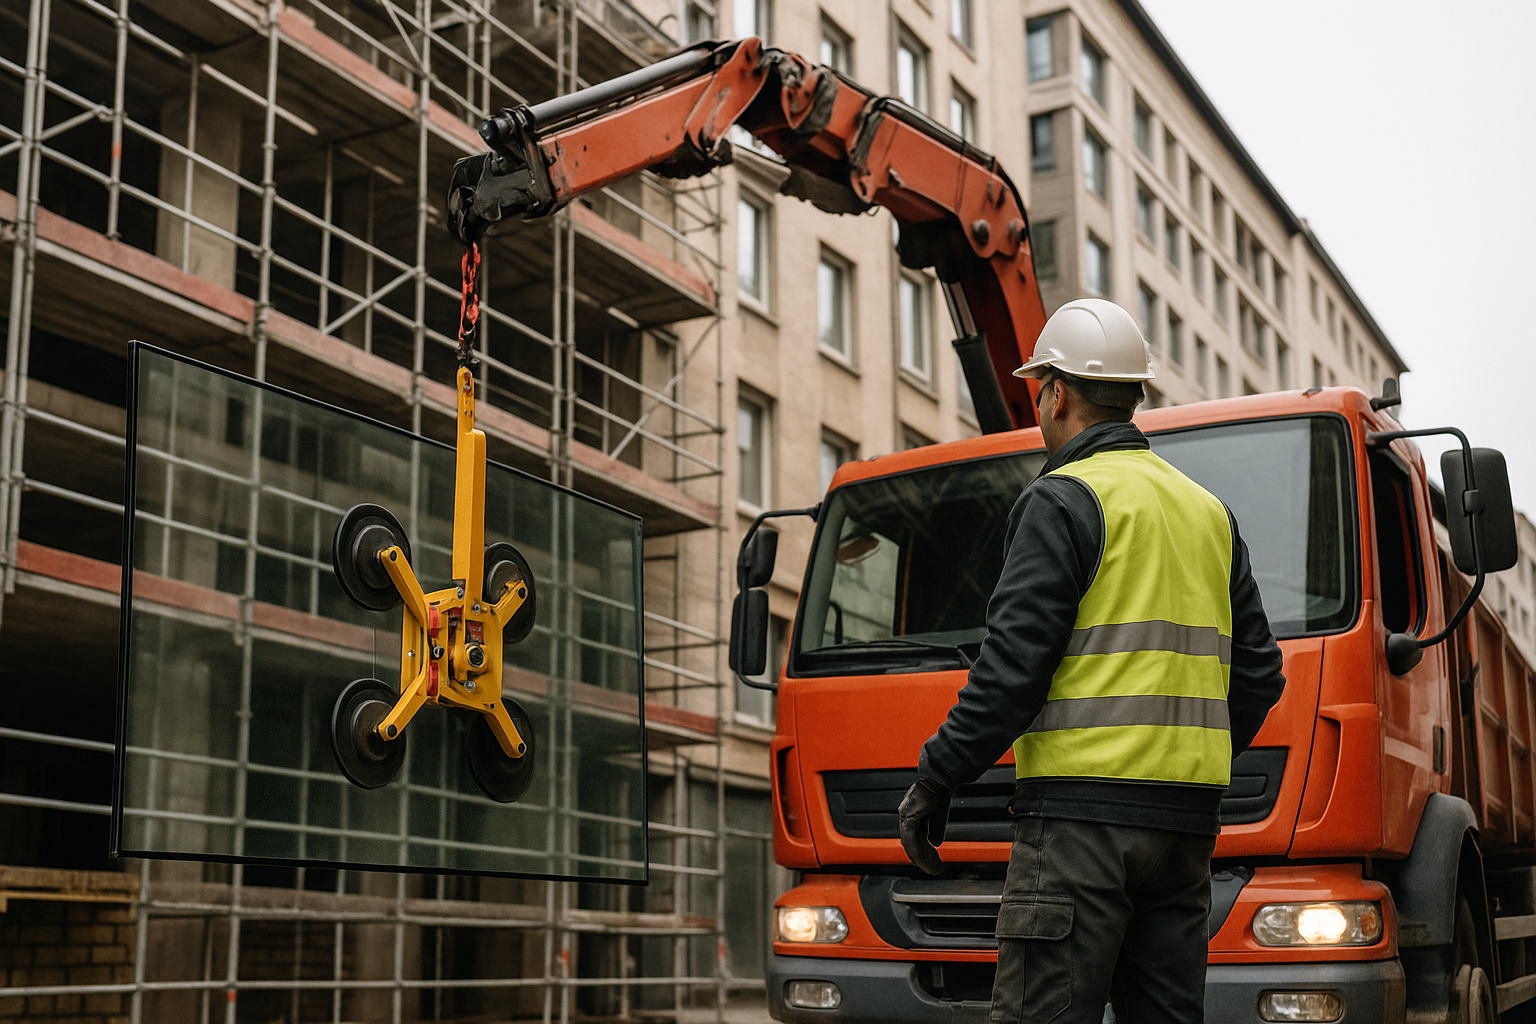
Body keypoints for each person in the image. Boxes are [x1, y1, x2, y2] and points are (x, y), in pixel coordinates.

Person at [897, 297, 1286, 1024]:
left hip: (1079, 829)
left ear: (1058, 392)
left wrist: (937, 776)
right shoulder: (1208, 512)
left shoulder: (1063, 499)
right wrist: (1183, 759)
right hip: (1184, 830)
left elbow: (1012, 671)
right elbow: (1261, 675)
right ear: (1130, 397)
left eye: (1038, 387)